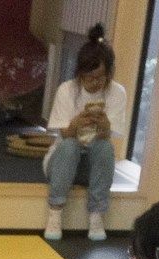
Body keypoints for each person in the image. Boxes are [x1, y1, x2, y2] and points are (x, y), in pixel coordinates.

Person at [43, 27, 128, 243]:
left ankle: (97, 215)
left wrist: (104, 126)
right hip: (62, 162)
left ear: (109, 73)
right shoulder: (67, 90)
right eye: (88, 77)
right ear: (80, 74)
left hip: (92, 168)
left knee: (105, 147)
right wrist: (76, 124)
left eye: (100, 77)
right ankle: (55, 212)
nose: (95, 82)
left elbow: (107, 139)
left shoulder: (117, 93)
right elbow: (64, 134)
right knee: (70, 145)